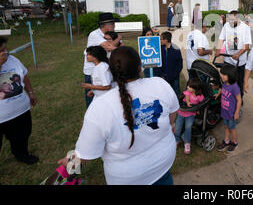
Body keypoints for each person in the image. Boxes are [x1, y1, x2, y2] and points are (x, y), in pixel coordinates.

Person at [58, 46, 179, 185]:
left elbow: (85, 155)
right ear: (140, 67)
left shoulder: (99, 107)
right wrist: (171, 125)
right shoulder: (160, 84)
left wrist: (68, 164)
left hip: (128, 178)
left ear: (112, 72)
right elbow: (173, 112)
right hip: (163, 164)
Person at [0, 36, 39, 165]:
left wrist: (31, 93)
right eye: (1, 50)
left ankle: (22, 154)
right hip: (1, 116)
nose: (5, 53)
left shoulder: (12, 59)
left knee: (22, 135)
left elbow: (24, 77)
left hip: (20, 110)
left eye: (5, 49)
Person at [83, 12, 121, 108]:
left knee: (107, 95)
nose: (114, 25)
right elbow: (109, 47)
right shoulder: (94, 34)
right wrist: (119, 40)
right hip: (92, 70)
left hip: (106, 68)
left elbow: (120, 46)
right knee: (93, 98)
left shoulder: (112, 35)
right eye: (112, 23)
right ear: (104, 25)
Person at [216, 11, 252, 105]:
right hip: (228, 59)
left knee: (239, 82)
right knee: (227, 80)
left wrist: (238, 54)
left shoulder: (245, 28)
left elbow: (247, 45)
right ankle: (227, 97)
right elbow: (221, 38)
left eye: (233, 20)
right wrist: (218, 50)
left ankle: (239, 100)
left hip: (240, 61)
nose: (231, 22)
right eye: (229, 19)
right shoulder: (226, 26)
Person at [215, 65, 242, 154]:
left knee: (232, 128)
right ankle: (226, 141)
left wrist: (237, 112)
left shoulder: (234, 87)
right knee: (226, 126)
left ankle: (234, 142)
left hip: (231, 113)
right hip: (225, 111)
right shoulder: (225, 84)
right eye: (221, 73)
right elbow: (222, 89)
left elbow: (239, 100)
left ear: (231, 76)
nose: (221, 76)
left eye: (224, 74)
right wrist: (218, 94)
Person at [174, 78, 204, 155]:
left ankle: (187, 142)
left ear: (195, 89)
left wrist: (198, 109)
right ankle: (177, 140)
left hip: (190, 115)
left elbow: (201, 104)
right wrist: (187, 102)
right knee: (177, 127)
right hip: (181, 113)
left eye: (190, 87)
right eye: (188, 86)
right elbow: (187, 96)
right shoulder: (188, 92)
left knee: (188, 127)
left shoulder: (199, 96)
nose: (187, 87)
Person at [153, 32, 183, 97]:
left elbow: (180, 63)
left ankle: (178, 104)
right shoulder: (159, 49)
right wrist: (161, 75)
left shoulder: (176, 49)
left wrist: (175, 74)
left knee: (176, 92)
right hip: (163, 77)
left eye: (161, 39)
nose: (160, 41)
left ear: (166, 40)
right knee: (165, 93)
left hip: (174, 77)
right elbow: (158, 63)